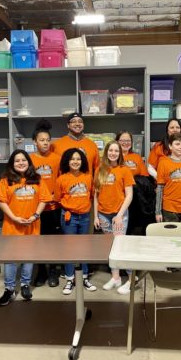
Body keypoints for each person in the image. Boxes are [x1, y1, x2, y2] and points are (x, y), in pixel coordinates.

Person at [0, 150, 50, 305]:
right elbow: (1, 201)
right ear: (12, 164)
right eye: (17, 161)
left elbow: (44, 199)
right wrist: (14, 218)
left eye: (23, 160)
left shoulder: (37, 179)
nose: (21, 163)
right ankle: (9, 289)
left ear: (28, 162)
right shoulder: (6, 180)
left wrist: (35, 215)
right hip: (12, 226)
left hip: (32, 225)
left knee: (28, 257)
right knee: (10, 259)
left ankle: (25, 285)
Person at [93, 141, 135, 295]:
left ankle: (131, 279)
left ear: (120, 153)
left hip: (119, 214)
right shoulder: (99, 170)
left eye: (116, 151)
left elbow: (129, 195)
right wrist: (96, 215)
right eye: (110, 150)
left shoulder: (124, 170)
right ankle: (116, 277)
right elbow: (96, 195)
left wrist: (119, 215)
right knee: (111, 247)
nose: (113, 153)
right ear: (106, 152)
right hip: (103, 214)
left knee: (121, 246)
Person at [54, 148, 97, 295]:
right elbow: (58, 198)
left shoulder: (88, 177)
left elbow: (91, 196)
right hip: (69, 217)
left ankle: (84, 277)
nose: (75, 161)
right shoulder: (61, 179)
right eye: (72, 159)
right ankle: (70, 279)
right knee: (70, 249)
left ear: (82, 161)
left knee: (84, 248)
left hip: (85, 216)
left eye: (78, 159)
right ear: (67, 161)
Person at [30, 119, 61, 288]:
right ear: (34, 142)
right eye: (42, 140)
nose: (45, 143)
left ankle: (53, 271)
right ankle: (40, 271)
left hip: (54, 207)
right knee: (38, 241)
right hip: (36, 209)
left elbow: (62, 180)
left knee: (53, 241)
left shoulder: (57, 159)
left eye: (48, 140)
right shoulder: (29, 160)